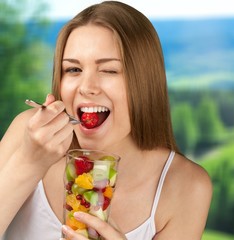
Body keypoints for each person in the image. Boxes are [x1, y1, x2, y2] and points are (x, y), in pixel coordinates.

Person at [0, 1, 212, 239]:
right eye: (73, 70)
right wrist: (28, 162)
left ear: (146, 82)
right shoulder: (26, 134)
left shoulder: (185, 186)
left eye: (109, 70)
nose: (87, 87)